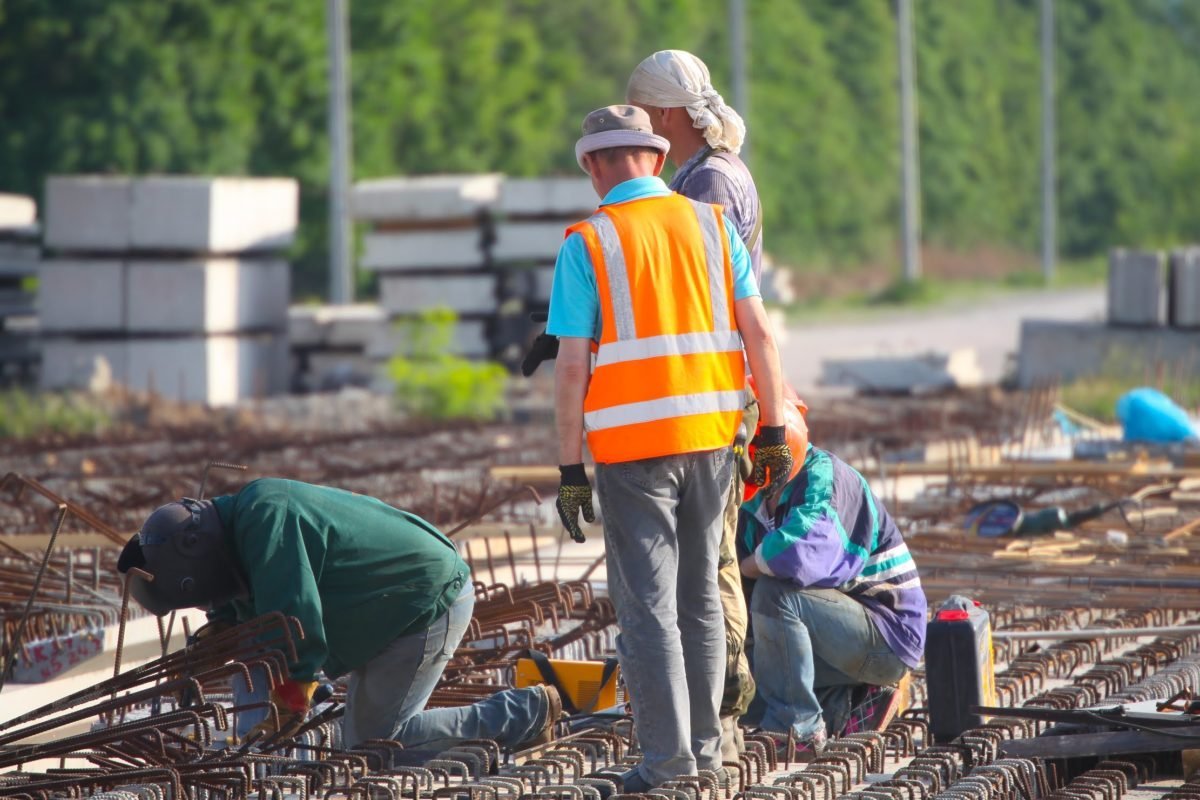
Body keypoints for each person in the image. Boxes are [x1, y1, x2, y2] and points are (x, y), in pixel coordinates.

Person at [547, 104, 791, 790]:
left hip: (633, 452)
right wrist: (773, 431)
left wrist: (570, 469)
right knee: (702, 598)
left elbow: (571, 367)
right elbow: (759, 334)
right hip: (713, 442)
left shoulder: (588, 243)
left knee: (648, 610)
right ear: (657, 160)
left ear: (593, 167)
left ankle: (668, 765)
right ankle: (707, 755)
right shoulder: (713, 225)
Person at [117, 477, 562, 752]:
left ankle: (525, 712)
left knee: (375, 744)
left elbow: (293, 615)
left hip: (423, 601)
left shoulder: (266, 518)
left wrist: (294, 693)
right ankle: (263, 757)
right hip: (383, 605)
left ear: (196, 554)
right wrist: (226, 626)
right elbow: (258, 607)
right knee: (254, 649)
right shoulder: (243, 524)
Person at [627, 49, 765, 760]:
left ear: (664, 113)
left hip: (709, 396)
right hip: (712, 391)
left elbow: (701, 298)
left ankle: (723, 721)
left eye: (642, 112)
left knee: (709, 569)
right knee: (707, 566)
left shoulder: (708, 181)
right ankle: (712, 723)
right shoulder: (707, 172)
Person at [738, 440, 928, 758]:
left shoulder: (825, 478)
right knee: (740, 687)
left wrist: (747, 565)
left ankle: (798, 730)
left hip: (886, 636)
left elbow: (801, 552)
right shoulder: (752, 500)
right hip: (834, 641)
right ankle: (852, 703)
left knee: (775, 593)